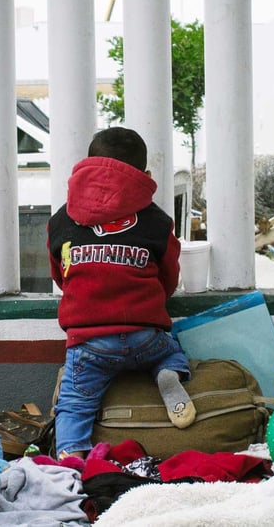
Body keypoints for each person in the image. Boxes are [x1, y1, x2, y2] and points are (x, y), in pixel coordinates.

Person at [47, 127, 195, 459]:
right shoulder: (157, 221)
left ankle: (72, 463)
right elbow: (169, 278)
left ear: (85, 168)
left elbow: (61, 275)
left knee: (74, 403)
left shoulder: (60, 221)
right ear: (145, 176)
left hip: (89, 344)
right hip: (146, 337)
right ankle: (168, 373)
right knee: (172, 352)